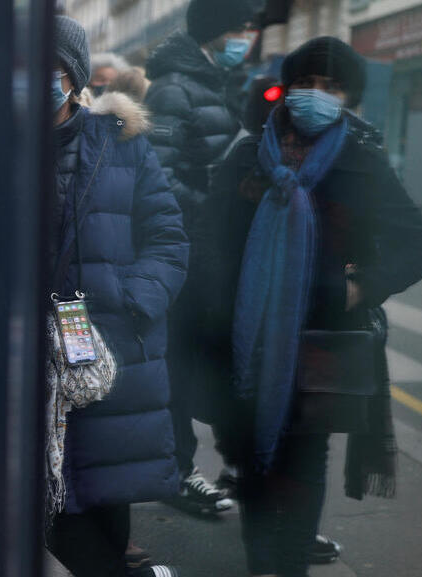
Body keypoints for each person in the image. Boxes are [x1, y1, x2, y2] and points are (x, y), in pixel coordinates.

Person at [194, 37, 422, 577]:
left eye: (330, 87)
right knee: (254, 462)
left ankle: (291, 565)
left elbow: (418, 241)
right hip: (248, 339)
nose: (315, 96)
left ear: (347, 95)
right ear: (287, 87)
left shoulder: (361, 159)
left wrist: (362, 288)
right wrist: (222, 298)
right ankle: (263, 565)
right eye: (305, 83)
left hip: (324, 341)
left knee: (305, 464)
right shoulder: (247, 153)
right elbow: (207, 236)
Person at [44, 16, 188, 577]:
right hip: (31, 354)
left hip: (113, 342)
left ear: (75, 77)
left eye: (54, 70)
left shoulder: (121, 145)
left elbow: (167, 237)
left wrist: (133, 301)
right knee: (47, 503)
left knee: (110, 490)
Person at [144, 0, 261, 517]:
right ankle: (181, 471)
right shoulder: (175, 85)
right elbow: (159, 174)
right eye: (240, 26)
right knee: (183, 367)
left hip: (221, 252)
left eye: (252, 27)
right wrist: (216, 205)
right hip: (192, 254)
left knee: (227, 363)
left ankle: (244, 472)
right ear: (215, 29)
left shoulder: (221, 80)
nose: (248, 36)